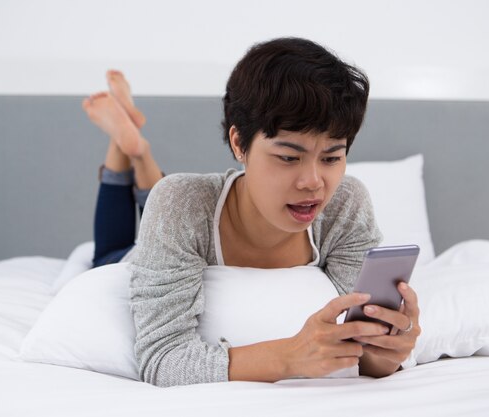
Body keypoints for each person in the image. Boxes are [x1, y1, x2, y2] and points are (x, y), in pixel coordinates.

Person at [82, 37, 421, 387]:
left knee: (167, 199)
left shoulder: (345, 205)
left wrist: (387, 353)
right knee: (110, 254)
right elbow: (162, 360)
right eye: (289, 157)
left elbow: (363, 353)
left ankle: (135, 148)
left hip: (181, 211)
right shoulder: (182, 206)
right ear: (239, 143)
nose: (314, 183)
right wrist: (289, 356)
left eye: (332, 157)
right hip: (141, 251)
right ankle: (130, 150)